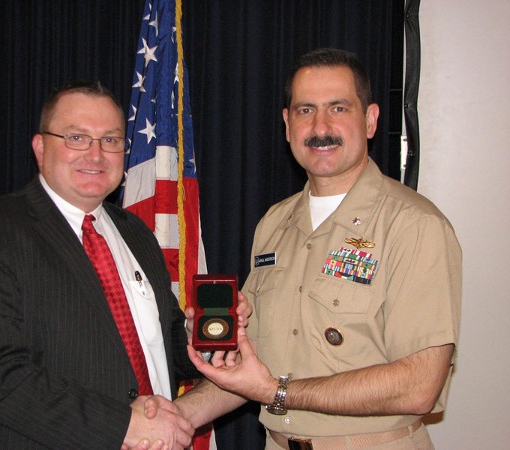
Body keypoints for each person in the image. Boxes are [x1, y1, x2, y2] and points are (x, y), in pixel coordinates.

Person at [160, 48, 462, 450]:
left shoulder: (413, 226)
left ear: (370, 120)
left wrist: (278, 392)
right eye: (305, 110)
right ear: (287, 124)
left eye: (338, 108)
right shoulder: (274, 224)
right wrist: (174, 418)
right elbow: (255, 373)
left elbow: (419, 385)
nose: (321, 127)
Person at [0, 81, 250, 450]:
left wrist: (207, 333)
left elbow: (162, 346)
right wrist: (122, 426)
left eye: (111, 140)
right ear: (40, 148)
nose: (96, 154)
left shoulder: (134, 232)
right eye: (76, 137)